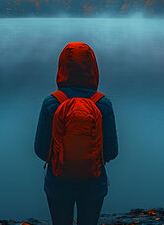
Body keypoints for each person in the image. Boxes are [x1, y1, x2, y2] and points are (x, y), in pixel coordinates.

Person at [34, 42, 118, 225]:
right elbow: (112, 152)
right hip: (94, 183)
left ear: (62, 68)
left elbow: (40, 150)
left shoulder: (52, 103)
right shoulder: (102, 104)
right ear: (93, 68)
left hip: (58, 183)